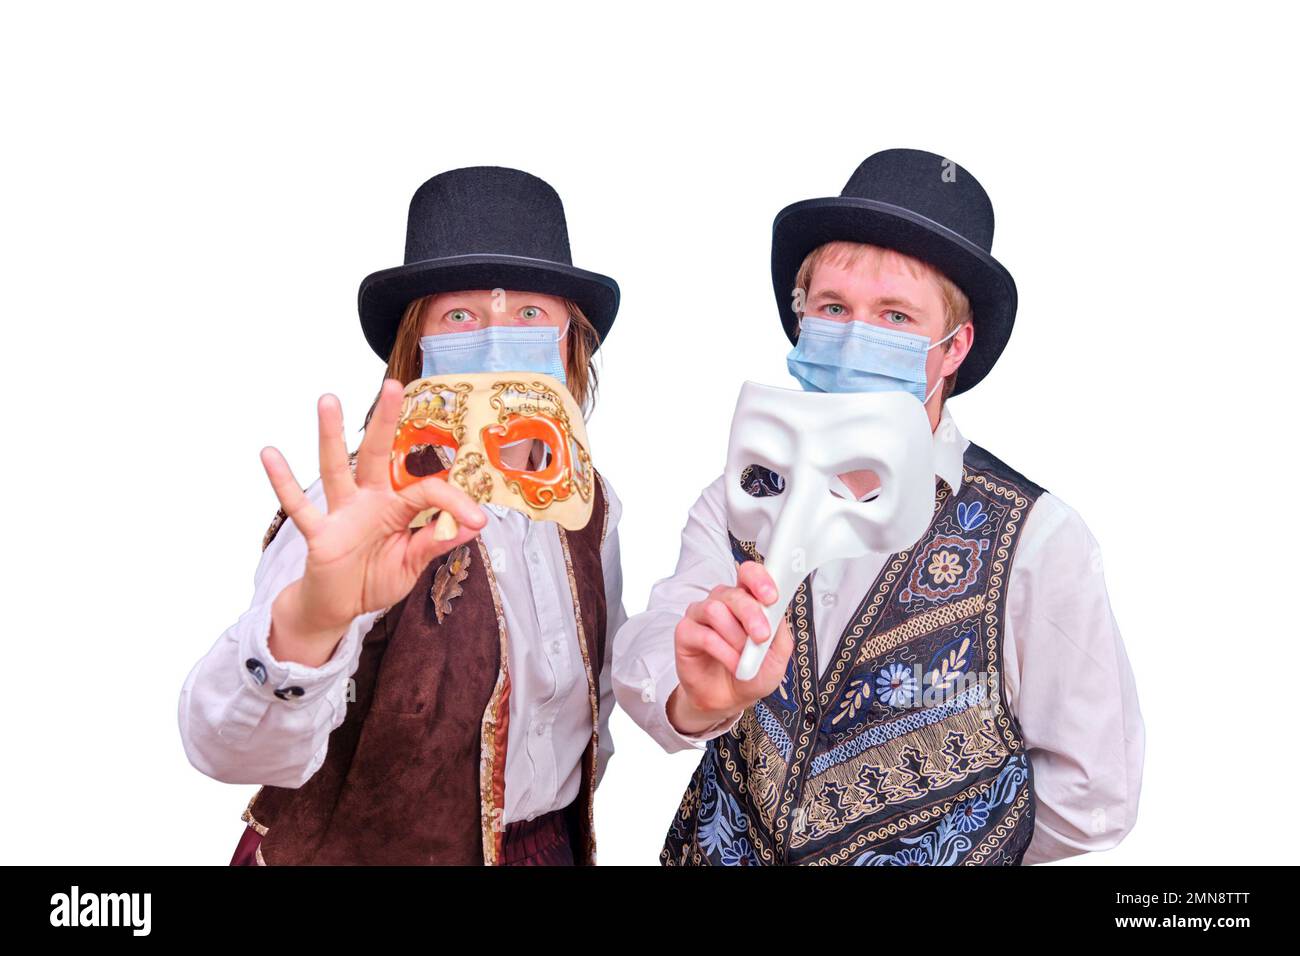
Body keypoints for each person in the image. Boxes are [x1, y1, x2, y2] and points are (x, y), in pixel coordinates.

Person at [613, 148, 1144, 865]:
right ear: (802, 322)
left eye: (895, 315)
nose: (858, 335)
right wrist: (696, 702)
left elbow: (1094, 795)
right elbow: (653, 657)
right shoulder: (740, 496)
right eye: (834, 308)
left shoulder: (1039, 543)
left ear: (953, 348)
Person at [178, 166, 627, 865]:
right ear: (417, 344)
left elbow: (591, 708)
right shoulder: (354, 507)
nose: (496, 337)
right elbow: (225, 748)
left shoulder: (588, 503)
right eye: (461, 316)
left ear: (570, 340)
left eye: (529, 314)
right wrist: (308, 627)